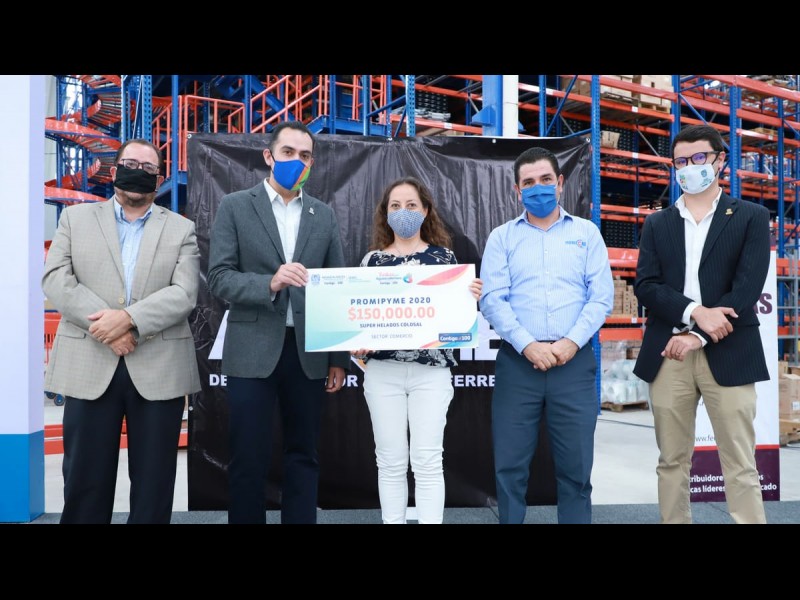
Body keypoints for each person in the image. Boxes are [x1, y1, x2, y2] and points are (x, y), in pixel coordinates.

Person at [42, 138, 201, 524]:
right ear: (114, 171)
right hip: (89, 363)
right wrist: (109, 328)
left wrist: (128, 320)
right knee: (85, 481)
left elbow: (184, 293)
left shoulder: (181, 229)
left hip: (159, 367)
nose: (138, 172)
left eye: (148, 168)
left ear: (159, 179)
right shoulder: (75, 220)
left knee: (154, 484)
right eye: (130, 163)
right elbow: (56, 279)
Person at [207, 121, 349, 525]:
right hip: (251, 350)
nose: (297, 161)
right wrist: (268, 283)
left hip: (308, 353)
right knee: (247, 454)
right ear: (269, 156)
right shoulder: (235, 206)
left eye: (305, 156)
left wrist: (337, 357)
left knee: (304, 454)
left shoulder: (323, 215)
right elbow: (218, 277)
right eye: (288, 152)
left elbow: (335, 287)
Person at [633, 124, 771, 524]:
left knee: (740, 461)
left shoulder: (750, 217)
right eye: (680, 161)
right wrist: (695, 312)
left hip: (730, 349)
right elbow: (647, 285)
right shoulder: (658, 223)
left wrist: (698, 335)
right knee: (671, 459)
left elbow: (747, 287)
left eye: (698, 158)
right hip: (668, 352)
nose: (689, 167)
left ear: (720, 160)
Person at [479, 146, 614, 524]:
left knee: (576, 468)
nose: (537, 188)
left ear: (560, 182)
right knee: (509, 466)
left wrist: (570, 342)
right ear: (516, 189)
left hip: (574, 363)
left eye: (545, 180)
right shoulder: (502, 238)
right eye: (528, 182)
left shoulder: (586, 233)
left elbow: (600, 298)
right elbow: (492, 299)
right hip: (518, 364)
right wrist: (528, 345)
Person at [351, 177, 482, 524]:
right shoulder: (372, 262)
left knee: (427, 461)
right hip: (383, 373)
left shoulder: (445, 259)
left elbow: (454, 317)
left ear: (425, 211)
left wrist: (469, 298)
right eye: (395, 206)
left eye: (411, 205)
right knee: (390, 461)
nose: (403, 212)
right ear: (385, 213)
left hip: (431, 373)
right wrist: (356, 346)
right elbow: (358, 320)